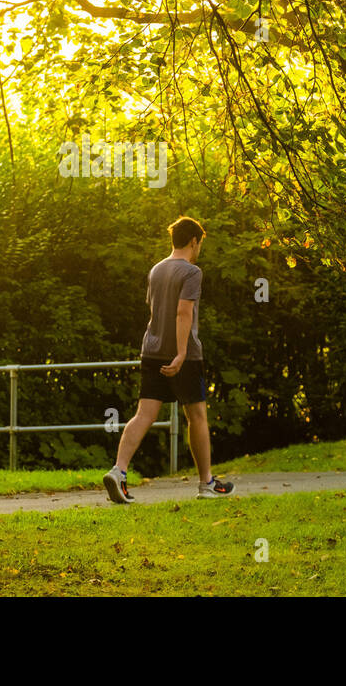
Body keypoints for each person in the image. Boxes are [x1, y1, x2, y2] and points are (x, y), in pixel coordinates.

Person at [104, 215, 235, 503]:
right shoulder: (192, 272)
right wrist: (182, 352)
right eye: (200, 243)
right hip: (182, 356)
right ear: (193, 241)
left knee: (144, 414)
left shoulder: (156, 270)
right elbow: (182, 313)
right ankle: (206, 484)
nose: (199, 248)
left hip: (151, 350)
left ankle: (118, 472)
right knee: (197, 416)